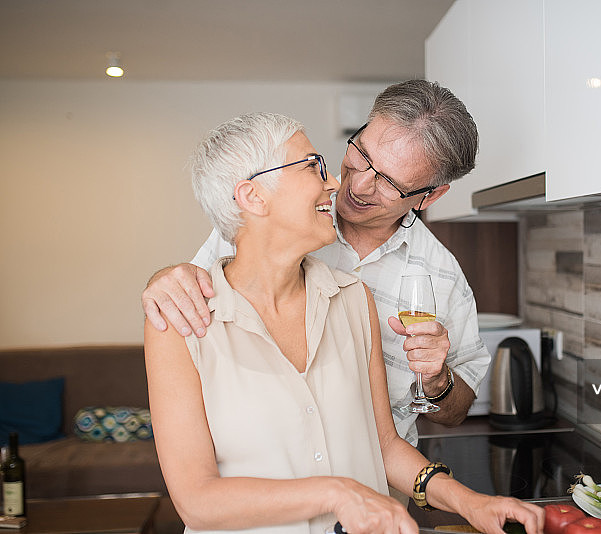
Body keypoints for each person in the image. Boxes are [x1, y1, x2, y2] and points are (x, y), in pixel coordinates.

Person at [144, 111, 544, 533]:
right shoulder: (180, 317)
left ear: (427, 196)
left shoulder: (355, 298)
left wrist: (471, 503)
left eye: (389, 181)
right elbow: (196, 501)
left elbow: (385, 445)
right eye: (313, 166)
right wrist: (338, 493)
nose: (341, 184)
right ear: (254, 197)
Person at [142, 80, 489, 446]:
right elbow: (197, 285)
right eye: (362, 155)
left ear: (430, 196)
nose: (357, 185)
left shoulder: (444, 276)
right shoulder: (277, 219)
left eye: (389, 182)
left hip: (381, 476)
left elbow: (457, 409)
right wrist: (167, 277)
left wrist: (438, 382)